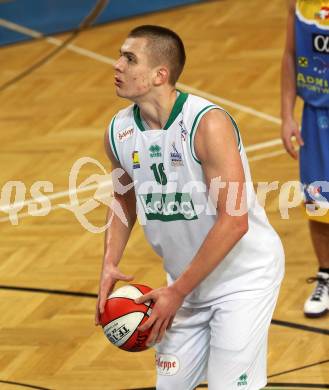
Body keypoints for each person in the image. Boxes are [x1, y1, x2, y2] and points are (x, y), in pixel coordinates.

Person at [95, 25, 284, 390]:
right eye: (120, 55)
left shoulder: (206, 124)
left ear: (159, 75)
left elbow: (234, 222)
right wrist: (109, 263)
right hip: (184, 283)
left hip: (242, 280)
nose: (116, 65)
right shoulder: (118, 131)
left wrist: (177, 293)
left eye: (129, 58)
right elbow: (123, 195)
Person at [281, 0, 329, 318]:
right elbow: (289, 56)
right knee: (319, 204)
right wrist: (287, 115)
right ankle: (326, 275)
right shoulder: (298, 2)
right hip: (316, 117)